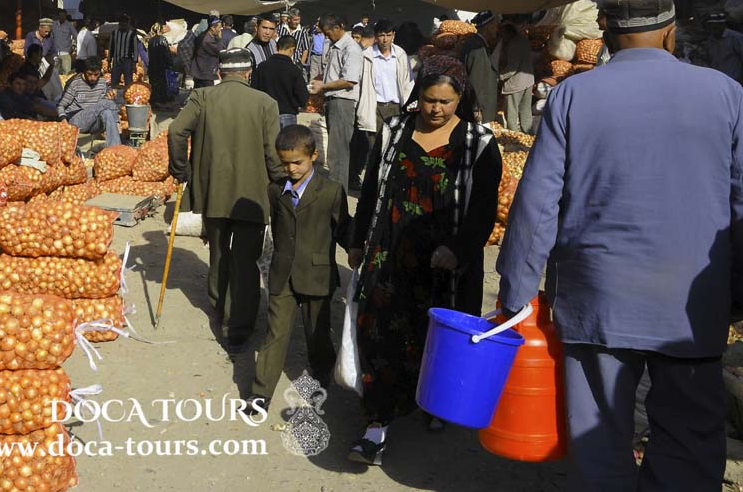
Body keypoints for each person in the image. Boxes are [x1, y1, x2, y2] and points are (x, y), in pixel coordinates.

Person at [496, 0, 743, 492]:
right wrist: (735, 296)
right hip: (691, 305)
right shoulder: (725, 93)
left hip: (598, 300)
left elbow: (538, 203)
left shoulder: (574, 95)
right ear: (670, 33)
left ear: (606, 35)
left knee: (600, 443)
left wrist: (516, 293)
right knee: (689, 445)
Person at [345, 54, 502, 465]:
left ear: (460, 98)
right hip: (390, 252)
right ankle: (376, 424)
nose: (435, 109)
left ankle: (434, 401)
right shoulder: (395, 130)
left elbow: (484, 209)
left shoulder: (479, 142)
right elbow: (371, 188)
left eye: (445, 102)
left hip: (446, 264)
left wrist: (458, 249)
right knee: (379, 332)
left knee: (437, 338)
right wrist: (358, 240)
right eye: (429, 99)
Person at [168, 48, 284, 353]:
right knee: (245, 260)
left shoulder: (202, 97)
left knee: (218, 251)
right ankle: (237, 328)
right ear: (248, 73)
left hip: (213, 191)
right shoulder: (266, 103)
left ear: (220, 72)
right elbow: (273, 155)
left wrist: (181, 170)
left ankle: (219, 307)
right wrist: (281, 184)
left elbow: (176, 131)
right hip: (252, 196)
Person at [248, 125, 346, 414]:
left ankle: (321, 378)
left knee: (317, 333)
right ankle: (260, 393)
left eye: (297, 162)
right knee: (274, 333)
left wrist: (357, 249)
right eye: (285, 163)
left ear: (313, 156)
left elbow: (343, 228)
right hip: (282, 274)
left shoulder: (331, 191)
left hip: (317, 275)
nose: (291, 169)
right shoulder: (275, 190)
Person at [310, 15, 363, 191]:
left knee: (338, 150)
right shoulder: (334, 46)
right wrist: (320, 82)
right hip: (332, 100)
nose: (327, 36)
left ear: (338, 28)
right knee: (336, 148)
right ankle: (336, 189)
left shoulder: (351, 48)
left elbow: (349, 80)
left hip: (342, 101)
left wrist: (323, 86)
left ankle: (337, 192)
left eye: (328, 33)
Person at [356, 19, 414, 155]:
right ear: (376, 36)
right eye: (382, 35)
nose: (385, 39)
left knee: (394, 145)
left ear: (393, 35)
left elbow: (408, 81)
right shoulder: (367, 56)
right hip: (375, 107)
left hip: (396, 107)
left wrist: (409, 105)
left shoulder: (400, 54)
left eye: (388, 35)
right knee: (375, 146)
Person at [58, 60, 122, 146]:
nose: (93, 78)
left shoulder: (102, 83)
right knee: (107, 104)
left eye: (96, 75)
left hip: (94, 122)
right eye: (89, 74)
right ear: (85, 72)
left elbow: (103, 102)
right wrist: (64, 121)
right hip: (77, 120)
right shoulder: (75, 83)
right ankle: (119, 135)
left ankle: (114, 147)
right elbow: (60, 105)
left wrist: (110, 96)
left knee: (107, 112)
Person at [251, 35, 309, 129]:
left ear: (276, 47)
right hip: (287, 113)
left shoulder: (262, 67)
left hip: (266, 114)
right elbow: (302, 95)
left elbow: (254, 90)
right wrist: (300, 104)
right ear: (292, 49)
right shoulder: (293, 70)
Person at [458, 10, 501, 123]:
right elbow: (476, 81)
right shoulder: (478, 48)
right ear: (488, 27)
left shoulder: (475, 43)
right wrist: (476, 108)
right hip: (481, 109)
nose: (496, 29)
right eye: (494, 26)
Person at [496, 21, 535, 133]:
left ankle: (513, 135)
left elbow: (512, 69)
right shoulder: (523, 39)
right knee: (526, 110)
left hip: (516, 84)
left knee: (511, 112)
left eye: (502, 35)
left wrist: (499, 77)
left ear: (507, 33)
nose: (502, 38)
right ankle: (528, 132)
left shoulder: (513, 44)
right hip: (528, 80)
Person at [109, 14, 148, 90]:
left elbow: (135, 49)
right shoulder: (114, 33)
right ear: (119, 24)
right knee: (114, 82)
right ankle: (114, 94)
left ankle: (128, 94)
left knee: (128, 82)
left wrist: (134, 63)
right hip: (116, 61)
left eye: (124, 24)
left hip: (127, 61)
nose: (123, 26)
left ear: (127, 24)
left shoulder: (132, 34)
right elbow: (111, 47)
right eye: (121, 24)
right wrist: (109, 60)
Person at [707, 10, 743, 83]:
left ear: (723, 24)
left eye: (718, 25)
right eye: (712, 25)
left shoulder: (736, 38)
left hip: (734, 80)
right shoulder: (710, 40)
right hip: (718, 80)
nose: (715, 27)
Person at [189, 17, 226, 88]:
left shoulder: (203, 35)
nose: (220, 30)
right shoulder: (207, 40)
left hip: (200, 72)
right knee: (207, 93)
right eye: (219, 27)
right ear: (212, 28)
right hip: (205, 74)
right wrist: (219, 39)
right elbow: (221, 51)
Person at [147, 22, 174, 103]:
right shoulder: (163, 39)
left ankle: (154, 98)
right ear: (161, 29)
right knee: (162, 82)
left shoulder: (150, 40)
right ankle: (162, 98)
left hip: (152, 65)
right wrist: (170, 63)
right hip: (161, 64)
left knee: (154, 83)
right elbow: (166, 52)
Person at [51, 11, 77, 76]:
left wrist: (73, 47)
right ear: (58, 16)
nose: (62, 17)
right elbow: (50, 37)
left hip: (66, 53)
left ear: (65, 16)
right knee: (55, 74)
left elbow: (76, 36)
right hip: (55, 54)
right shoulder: (53, 25)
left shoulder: (69, 25)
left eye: (63, 16)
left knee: (67, 74)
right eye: (60, 16)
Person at [294, 10, 314, 82]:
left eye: (298, 20)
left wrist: (301, 64)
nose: (297, 22)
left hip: (296, 62)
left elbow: (305, 49)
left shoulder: (302, 31)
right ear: (289, 19)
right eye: (295, 20)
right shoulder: (281, 28)